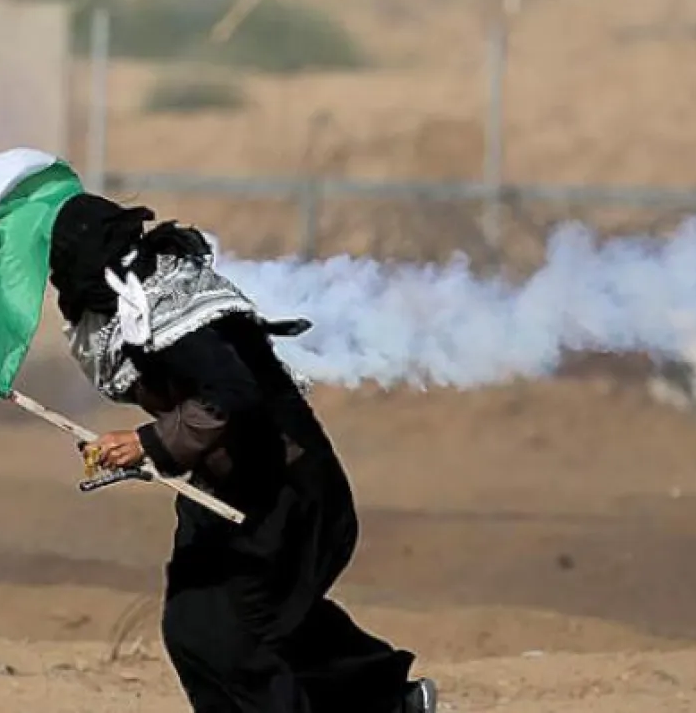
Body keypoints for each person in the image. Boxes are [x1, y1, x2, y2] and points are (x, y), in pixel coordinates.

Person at [47, 192, 437, 713]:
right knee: (212, 627)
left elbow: (231, 395)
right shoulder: (139, 306)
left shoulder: (170, 311)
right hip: (222, 495)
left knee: (228, 636)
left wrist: (149, 441)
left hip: (285, 496)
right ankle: (390, 700)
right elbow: (192, 409)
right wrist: (145, 450)